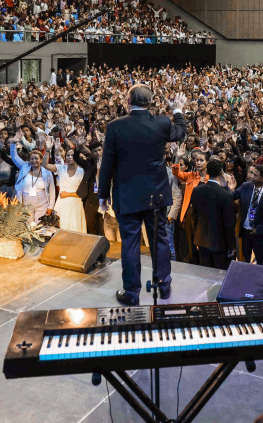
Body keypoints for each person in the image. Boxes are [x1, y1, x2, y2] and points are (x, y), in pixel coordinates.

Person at [98, 83, 187, 305]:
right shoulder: (162, 122)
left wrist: (103, 193)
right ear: (150, 102)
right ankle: (164, 287)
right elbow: (181, 132)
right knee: (160, 240)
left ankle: (131, 293)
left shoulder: (115, 126)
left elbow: (107, 163)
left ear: (128, 101)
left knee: (130, 243)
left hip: (126, 194)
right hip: (156, 194)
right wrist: (177, 110)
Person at [232, 163, 263, 266]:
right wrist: (226, 187)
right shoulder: (246, 186)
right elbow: (231, 196)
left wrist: (259, 229)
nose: (252, 176)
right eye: (252, 173)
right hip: (245, 232)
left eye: (255, 175)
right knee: (245, 262)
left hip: (261, 235)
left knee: (262, 263)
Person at [191, 158, 234, 269]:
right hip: (220, 243)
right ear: (221, 173)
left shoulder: (196, 190)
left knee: (204, 273)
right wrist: (232, 245)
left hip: (201, 239)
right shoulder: (226, 195)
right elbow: (229, 223)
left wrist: (196, 236)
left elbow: (194, 216)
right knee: (219, 275)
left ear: (207, 171)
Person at [50, 144, 87, 233]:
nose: (70, 157)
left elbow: (84, 191)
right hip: (62, 203)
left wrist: (68, 194)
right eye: (68, 155)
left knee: (75, 228)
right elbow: (45, 165)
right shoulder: (61, 168)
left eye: (72, 155)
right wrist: (48, 150)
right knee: (62, 228)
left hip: (75, 204)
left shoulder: (82, 171)